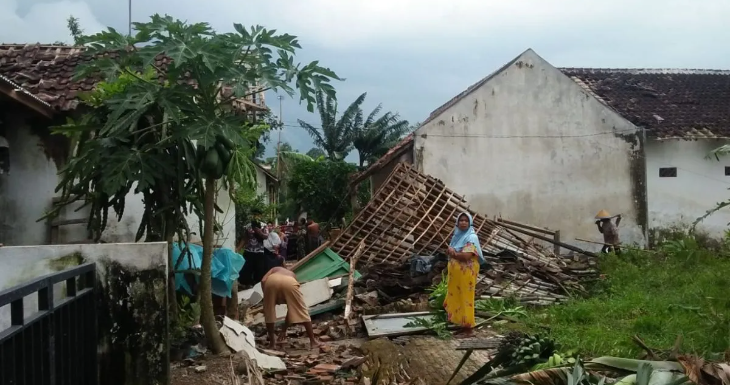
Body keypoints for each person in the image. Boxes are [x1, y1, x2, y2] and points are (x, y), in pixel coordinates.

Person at [260, 266, 322, 349]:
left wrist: (266, 295)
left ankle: (272, 343)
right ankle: (313, 342)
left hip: (271, 281)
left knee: (269, 311)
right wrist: (284, 330)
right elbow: (291, 311)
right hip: (289, 283)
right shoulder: (292, 274)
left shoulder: (275, 269)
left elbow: (263, 280)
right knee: (301, 310)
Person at [444, 212, 485, 337]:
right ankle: (462, 324)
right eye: (461, 220)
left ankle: (468, 328)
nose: (463, 222)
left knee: (465, 299)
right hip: (457, 275)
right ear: (457, 222)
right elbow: (452, 251)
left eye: (466, 221)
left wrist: (453, 253)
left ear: (470, 223)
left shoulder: (471, 237)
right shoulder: (457, 236)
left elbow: (467, 256)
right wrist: (451, 252)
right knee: (457, 297)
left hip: (466, 274)